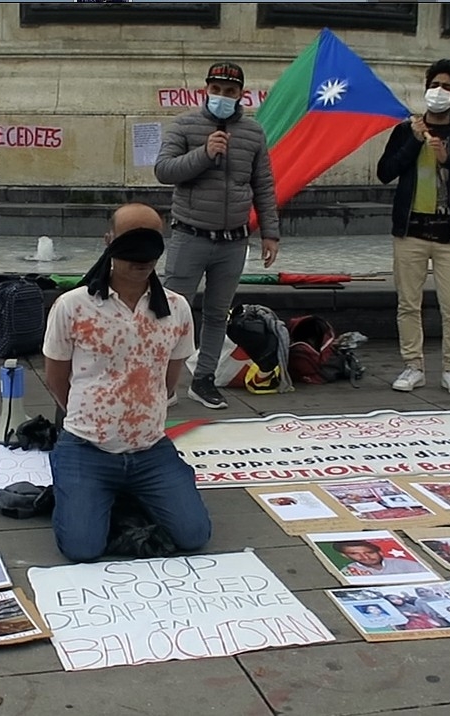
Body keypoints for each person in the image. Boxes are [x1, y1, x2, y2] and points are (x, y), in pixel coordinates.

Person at [42, 203, 210, 562]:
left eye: (150, 245)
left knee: (194, 535)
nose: (142, 258)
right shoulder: (72, 306)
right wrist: (90, 419)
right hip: (86, 448)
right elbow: (56, 376)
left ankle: (122, 494)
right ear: (109, 242)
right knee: (82, 548)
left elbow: (170, 380)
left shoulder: (177, 309)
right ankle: (79, 492)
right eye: (131, 244)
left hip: (150, 450)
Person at [155, 61, 280, 410]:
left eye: (229, 92)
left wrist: (270, 233)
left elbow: (264, 185)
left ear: (241, 94)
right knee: (172, 312)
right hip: (190, 236)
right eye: (216, 90)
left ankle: (204, 379)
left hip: (233, 240)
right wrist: (205, 153)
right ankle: (162, 384)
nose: (222, 97)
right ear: (205, 90)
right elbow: (164, 171)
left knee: (216, 313)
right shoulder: (185, 125)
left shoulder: (254, 133)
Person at [376, 59, 450, 396]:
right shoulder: (405, 130)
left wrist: (449, 160)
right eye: (435, 84)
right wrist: (412, 143)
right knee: (408, 304)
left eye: (447, 87)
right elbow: (385, 172)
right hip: (411, 232)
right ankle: (413, 366)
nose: (439, 92)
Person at [332, 540, 427, 577]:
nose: (365, 557)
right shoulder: (348, 571)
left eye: (369, 552)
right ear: (345, 556)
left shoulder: (406, 564)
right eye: (354, 554)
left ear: (380, 552)